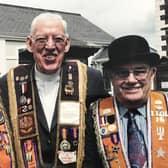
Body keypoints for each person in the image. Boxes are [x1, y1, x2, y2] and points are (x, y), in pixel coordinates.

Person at [0, 12, 107, 168]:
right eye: (41, 39)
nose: (50, 46)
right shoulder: (8, 84)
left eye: (58, 39)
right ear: (29, 44)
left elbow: (99, 140)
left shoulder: (90, 79)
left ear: (67, 44)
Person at [91, 35, 167, 168]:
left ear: (152, 73)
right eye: (122, 73)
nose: (131, 80)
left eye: (139, 72)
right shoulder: (92, 118)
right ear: (111, 76)